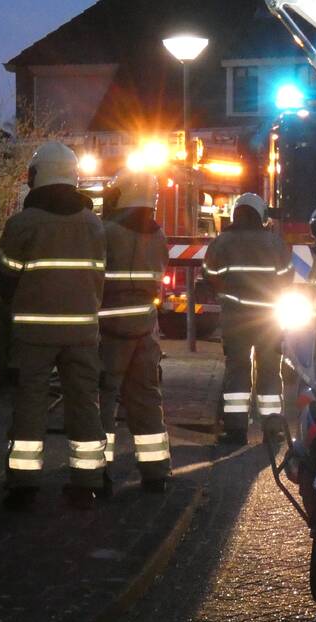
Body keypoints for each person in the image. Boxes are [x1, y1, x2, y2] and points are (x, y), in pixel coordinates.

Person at [0, 141, 107, 510]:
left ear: (36, 176)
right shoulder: (93, 224)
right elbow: (98, 279)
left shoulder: (22, 223)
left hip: (34, 332)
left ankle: (24, 483)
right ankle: (87, 481)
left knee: (30, 401)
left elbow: (7, 277)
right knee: (84, 403)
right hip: (82, 332)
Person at [98, 169, 171, 493]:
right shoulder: (157, 236)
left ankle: (97, 470)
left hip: (109, 329)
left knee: (103, 399)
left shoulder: (106, 232)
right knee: (146, 399)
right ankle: (155, 471)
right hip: (145, 330)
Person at [204, 193, 293, 447]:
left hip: (236, 320)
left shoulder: (223, 242)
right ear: (261, 215)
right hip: (269, 320)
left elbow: (209, 273)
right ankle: (273, 428)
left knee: (237, 373)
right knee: (270, 373)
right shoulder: (275, 243)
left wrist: (225, 291)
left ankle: (235, 431)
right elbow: (287, 276)